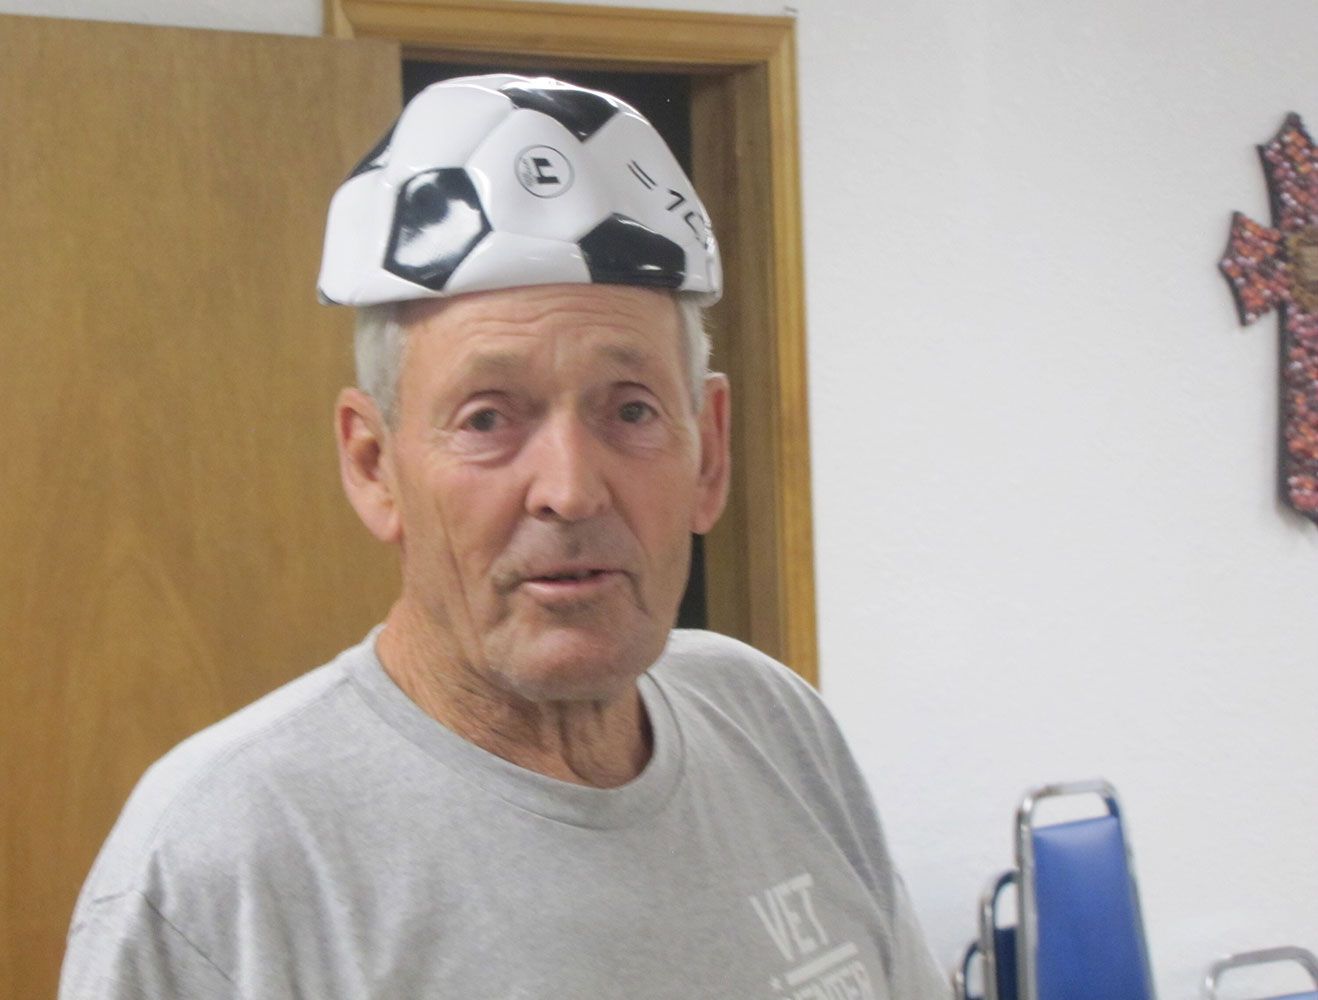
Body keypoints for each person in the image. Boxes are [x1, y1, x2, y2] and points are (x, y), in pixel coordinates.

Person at [59, 74, 945, 999]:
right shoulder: (222, 861)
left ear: (709, 451)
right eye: (487, 420)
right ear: (373, 465)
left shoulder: (772, 726)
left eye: (631, 409)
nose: (569, 489)